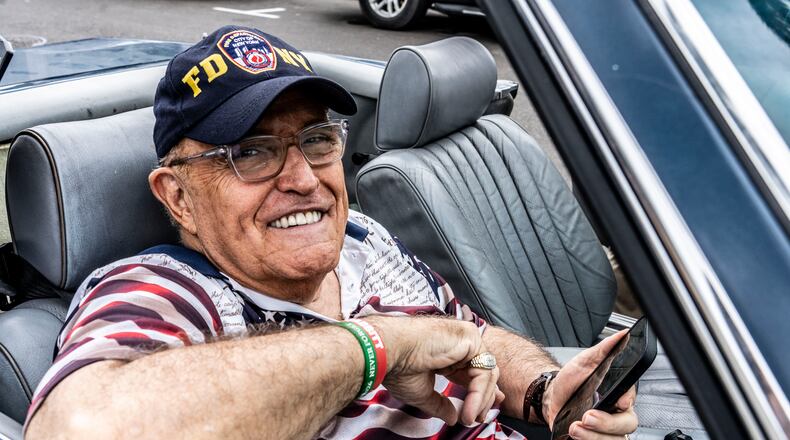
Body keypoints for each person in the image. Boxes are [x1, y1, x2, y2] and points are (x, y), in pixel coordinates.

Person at [25, 26, 638, 440]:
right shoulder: (162, 291)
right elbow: (80, 427)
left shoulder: (363, 239)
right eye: (252, 152)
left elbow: (470, 341)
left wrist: (544, 393)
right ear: (178, 196)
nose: (303, 179)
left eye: (316, 141)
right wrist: (379, 348)